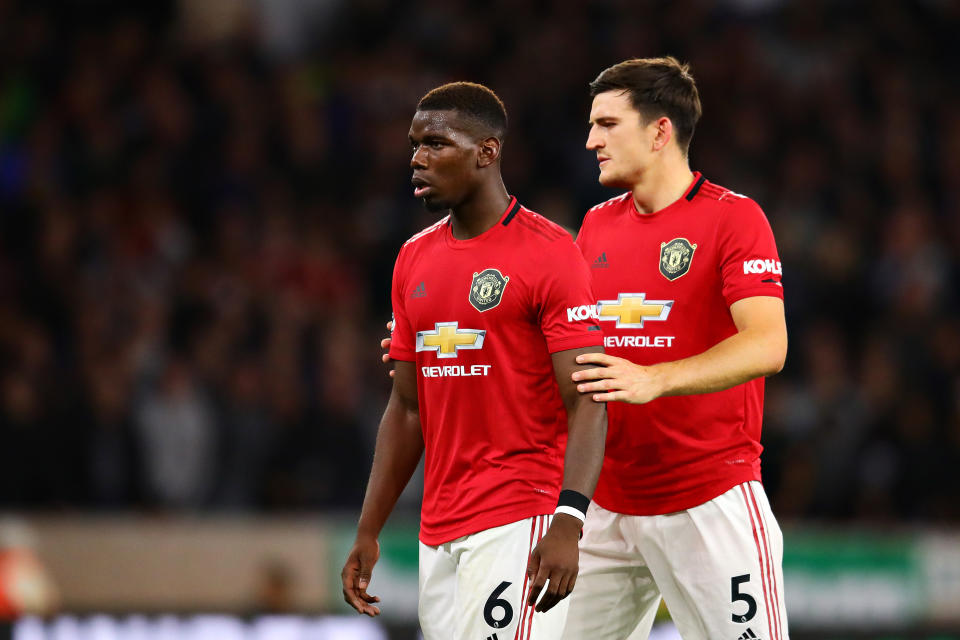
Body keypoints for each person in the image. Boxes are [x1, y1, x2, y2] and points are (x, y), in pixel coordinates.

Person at [341, 82, 607, 640]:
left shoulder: (551, 253)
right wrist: (370, 528)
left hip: (520, 516)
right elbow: (408, 408)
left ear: (487, 152)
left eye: (436, 144)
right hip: (438, 530)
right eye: (414, 144)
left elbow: (586, 401)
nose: (417, 158)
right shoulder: (413, 259)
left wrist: (570, 519)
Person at [564, 57, 790, 640]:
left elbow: (768, 344)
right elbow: (572, 347)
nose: (591, 140)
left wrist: (655, 377)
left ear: (660, 131)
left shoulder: (734, 219)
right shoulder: (594, 226)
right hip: (607, 505)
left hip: (707, 499)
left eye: (608, 124)